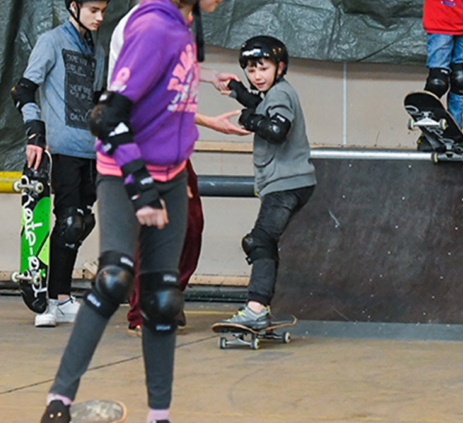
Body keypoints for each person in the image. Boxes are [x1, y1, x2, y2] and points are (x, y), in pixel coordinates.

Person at [41, 1, 227, 422]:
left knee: (162, 299)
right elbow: (106, 116)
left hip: (173, 174)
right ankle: (59, 403)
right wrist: (141, 187)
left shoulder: (184, 24)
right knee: (114, 279)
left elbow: (164, 91)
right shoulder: (153, 28)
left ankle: (158, 416)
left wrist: (209, 82)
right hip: (125, 169)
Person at [105, 0, 249, 336]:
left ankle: (165, 299)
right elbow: (142, 100)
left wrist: (210, 76)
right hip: (144, 144)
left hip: (170, 143)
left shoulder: (174, 23)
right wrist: (209, 122)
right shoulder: (146, 27)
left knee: (190, 225)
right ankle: (144, 312)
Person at [11, 0, 110, 328]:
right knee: (68, 221)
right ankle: (52, 303)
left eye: (103, 10)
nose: (99, 17)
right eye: (93, 9)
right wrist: (34, 132)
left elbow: (97, 100)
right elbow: (24, 90)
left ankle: (61, 297)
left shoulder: (96, 48)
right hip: (64, 150)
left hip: (93, 152)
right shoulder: (51, 41)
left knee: (82, 222)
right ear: (73, 5)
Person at [213, 35, 316, 329]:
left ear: (280, 67)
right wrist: (236, 90)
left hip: (287, 184)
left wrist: (248, 121)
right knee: (262, 241)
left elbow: (277, 128)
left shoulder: (282, 94)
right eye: (251, 69)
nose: (257, 76)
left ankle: (256, 308)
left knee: (260, 240)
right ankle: (260, 306)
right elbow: (260, 104)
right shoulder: (275, 92)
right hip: (288, 183)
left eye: (263, 68)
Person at [416, 0, 463, 151]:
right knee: (437, 82)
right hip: (439, 18)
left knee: (462, 79)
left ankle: (454, 133)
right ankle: (429, 133)